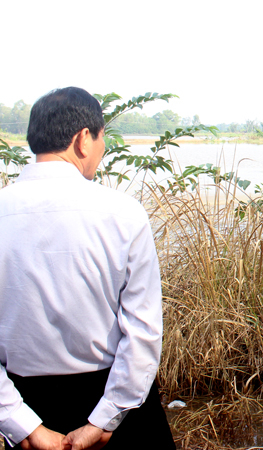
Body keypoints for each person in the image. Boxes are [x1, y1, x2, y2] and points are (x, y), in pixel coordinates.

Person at [0, 87, 174, 449]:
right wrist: (104, 420)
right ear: (83, 140)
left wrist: (24, 426)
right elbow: (143, 332)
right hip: (114, 403)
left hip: (27, 400)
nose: (101, 151)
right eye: (101, 141)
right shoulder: (124, 214)